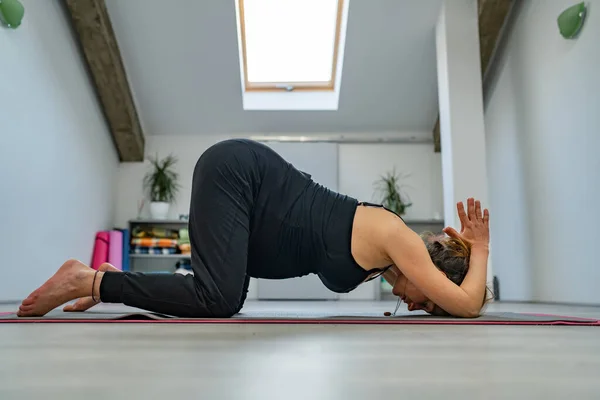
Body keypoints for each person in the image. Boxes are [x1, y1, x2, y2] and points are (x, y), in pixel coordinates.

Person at [17, 139, 490, 318]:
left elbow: (462, 297)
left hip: (249, 201)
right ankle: (88, 279)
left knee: (223, 296)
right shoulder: (400, 239)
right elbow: (468, 305)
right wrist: (479, 247)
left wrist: (463, 253)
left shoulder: (388, 262)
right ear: (434, 267)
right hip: (241, 176)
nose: (414, 303)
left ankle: (103, 279)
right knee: (220, 299)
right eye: (426, 300)